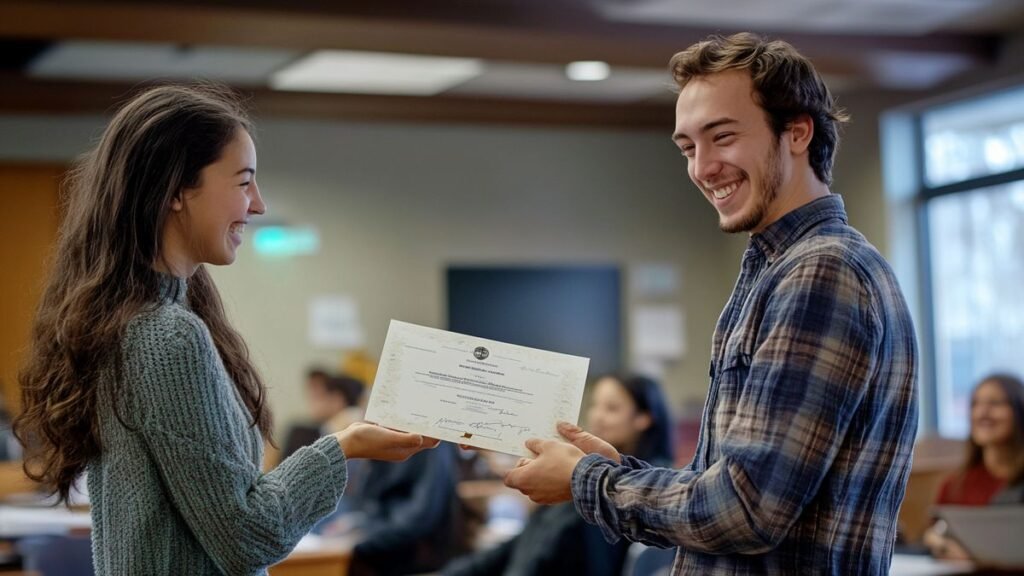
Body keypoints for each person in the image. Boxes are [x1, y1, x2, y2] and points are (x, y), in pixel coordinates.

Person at [503, 32, 919, 575]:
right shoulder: (777, 267)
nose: (702, 167)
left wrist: (587, 480)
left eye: (721, 137)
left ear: (796, 132)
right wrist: (614, 468)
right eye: (688, 148)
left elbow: (746, 510)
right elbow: (725, 482)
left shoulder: (821, 271)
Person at [12, 84, 436, 576]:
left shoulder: (129, 318)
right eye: (243, 182)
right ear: (175, 191)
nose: (257, 205)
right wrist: (343, 446)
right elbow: (249, 536)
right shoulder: (167, 336)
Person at [441, 374, 674, 576]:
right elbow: (525, 543)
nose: (597, 417)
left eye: (611, 408)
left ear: (644, 417)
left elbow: (550, 556)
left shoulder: (637, 487)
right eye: (595, 405)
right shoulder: (586, 471)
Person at [923, 373, 1024, 560]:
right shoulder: (955, 485)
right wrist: (943, 546)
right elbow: (933, 535)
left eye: (995, 403)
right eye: (975, 404)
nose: (981, 413)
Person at [282, 369, 366, 459]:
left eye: (318, 396)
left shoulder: (302, 434)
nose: (312, 402)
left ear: (337, 400)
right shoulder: (305, 431)